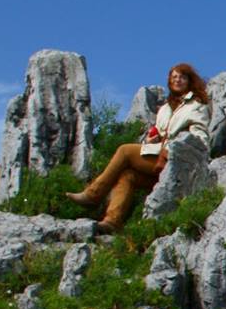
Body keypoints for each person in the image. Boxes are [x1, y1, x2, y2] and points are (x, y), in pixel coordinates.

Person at [69, 63, 213, 232]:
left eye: (182, 77)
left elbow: (200, 135)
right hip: (160, 159)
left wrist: (187, 148)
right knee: (127, 175)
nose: (177, 80)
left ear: (189, 80)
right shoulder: (166, 109)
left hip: (178, 159)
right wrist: (153, 139)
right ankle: (112, 222)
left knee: (125, 151)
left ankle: (93, 194)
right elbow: (160, 132)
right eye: (174, 77)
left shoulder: (197, 105)